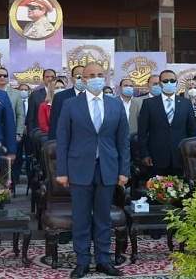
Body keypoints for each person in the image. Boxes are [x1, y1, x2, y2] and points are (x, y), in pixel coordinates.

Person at [56, 62, 130, 278]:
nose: (95, 78)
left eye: (99, 74)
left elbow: (123, 141)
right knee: (81, 218)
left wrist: (124, 171)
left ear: (105, 77)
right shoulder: (70, 105)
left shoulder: (115, 105)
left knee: (103, 218)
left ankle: (103, 260)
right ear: (83, 79)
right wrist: (62, 171)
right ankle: (82, 261)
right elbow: (62, 140)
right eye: (90, 75)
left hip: (108, 168)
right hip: (78, 168)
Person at [138, 70, 196, 177]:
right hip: (156, 157)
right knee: (157, 187)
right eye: (165, 81)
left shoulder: (186, 103)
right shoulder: (149, 103)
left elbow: (192, 131)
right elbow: (142, 132)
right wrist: (144, 154)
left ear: (176, 83)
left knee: (181, 187)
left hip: (181, 157)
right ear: (160, 83)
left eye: (172, 80)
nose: (169, 83)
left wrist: (192, 155)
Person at [0, 67, 27, 190]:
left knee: (11, 160)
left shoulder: (15, 93)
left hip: (11, 133)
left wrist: (18, 133)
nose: (2, 78)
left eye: (5, 75)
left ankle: (9, 186)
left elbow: (20, 114)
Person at [48, 66, 85, 140]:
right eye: (78, 77)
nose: (81, 79)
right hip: (68, 140)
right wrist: (54, 142)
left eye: (84, 76)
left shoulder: (95, 96)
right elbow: (55, 122)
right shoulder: (60, 97)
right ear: (72, 79)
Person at [27, 69, 56, 137]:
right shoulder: (35, 95)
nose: (50, 79)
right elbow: (30, 117)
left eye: (52, 77)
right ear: (43, 79)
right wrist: (31, 134)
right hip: (40, 135)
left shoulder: (62, 93)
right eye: (47, 77)